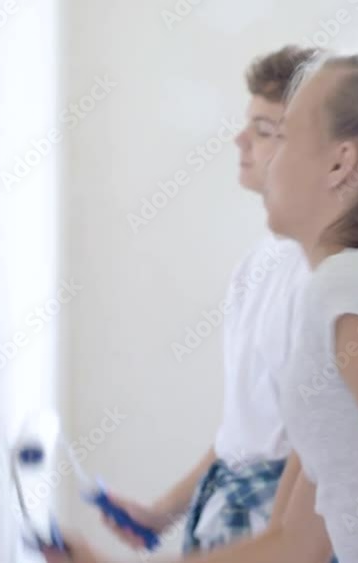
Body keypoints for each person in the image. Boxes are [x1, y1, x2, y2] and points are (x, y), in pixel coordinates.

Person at [46, 52, 358, 563]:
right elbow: (293, 544)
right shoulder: (355, 288)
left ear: (340, 163)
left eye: (286, 135)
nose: (269, 157)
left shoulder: (356, 290)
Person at [100, 45, 322, 555]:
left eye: (264, 130)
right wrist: (162, 512)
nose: (240, 140)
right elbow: (243, 434)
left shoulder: (322, 278)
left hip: (280, 523)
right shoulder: (258, 263)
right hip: (235, 512)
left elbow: (311, 455)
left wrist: (278, 541)